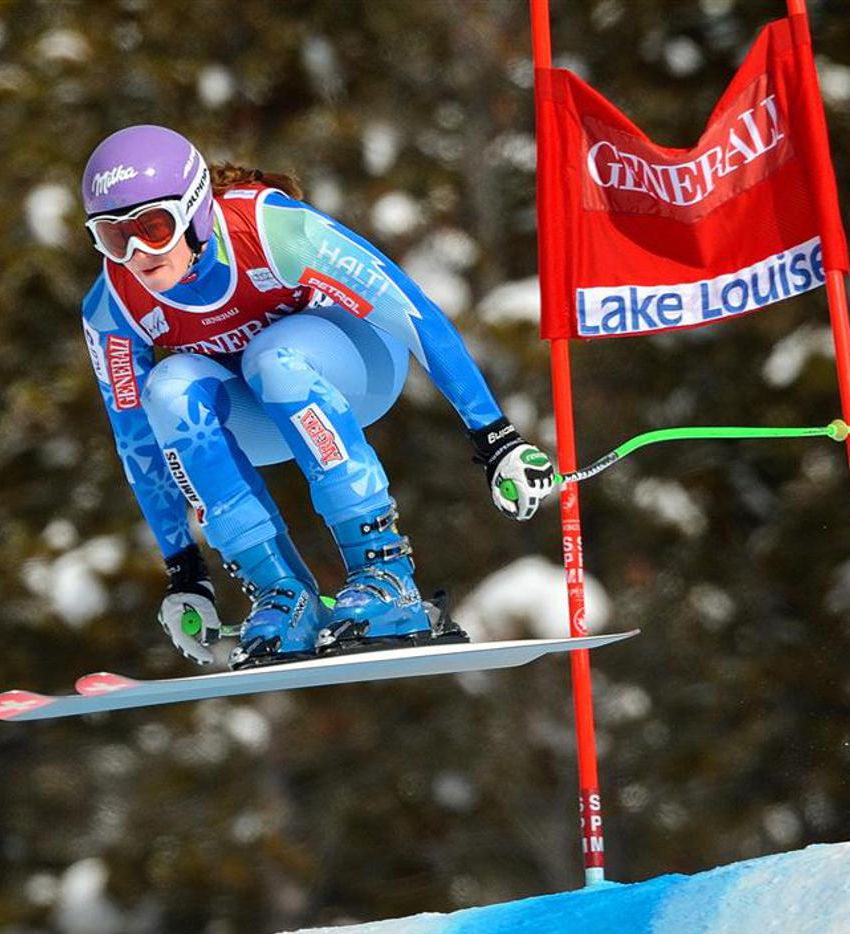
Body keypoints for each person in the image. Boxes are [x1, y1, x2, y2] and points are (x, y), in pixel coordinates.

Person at [80, 124, 556, 669]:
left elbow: (413, 312)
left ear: (196, 211)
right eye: (114, 237)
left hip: (357, 367)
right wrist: (185, 571)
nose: (138, 253)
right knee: (167, 392)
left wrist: (496, 437)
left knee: (272, 357)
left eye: (155, 228)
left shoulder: (273, 231)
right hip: (262, 411)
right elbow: (135, 438)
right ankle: (283, 594)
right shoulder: (112, 306)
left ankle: (386, 575)